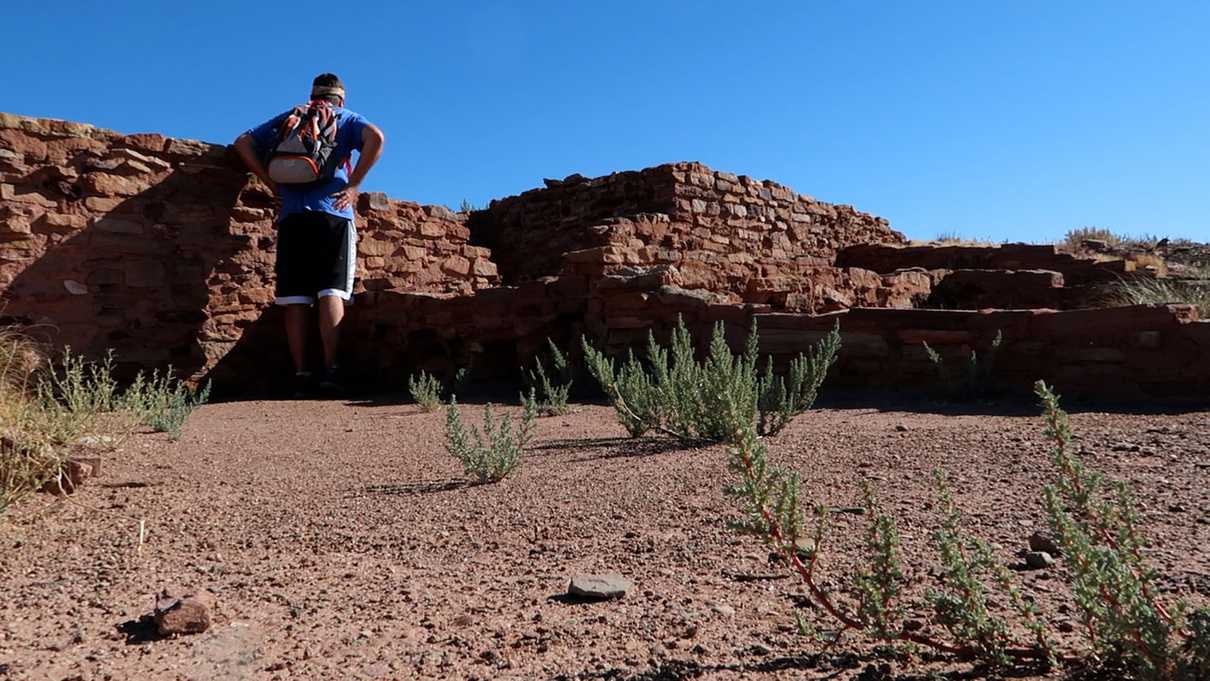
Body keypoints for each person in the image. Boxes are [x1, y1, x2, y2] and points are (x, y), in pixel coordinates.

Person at [233, 73, 385, 395]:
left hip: (292, 217)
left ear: (313, 94)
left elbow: (242, 142)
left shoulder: (292, 116)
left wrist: (270, 184)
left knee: (295, 298)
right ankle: (331, 371)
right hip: (333, 213)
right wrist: (355, 184)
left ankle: (301, 374)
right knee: (331, 292)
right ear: (340, 99)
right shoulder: (346, 118)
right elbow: (376, 138)